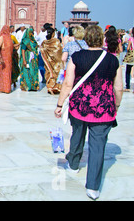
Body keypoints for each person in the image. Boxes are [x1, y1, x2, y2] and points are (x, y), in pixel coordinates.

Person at [54, 25, 123, 200]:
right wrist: (116, 105)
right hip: (103, 108)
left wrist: (60, 104)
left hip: (80, 105)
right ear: (102, 40)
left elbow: (68, 84)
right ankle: (93, 187)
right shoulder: (113, 60)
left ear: (87, 39)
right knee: (98, 146)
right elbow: (119, 88)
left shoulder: (77, 57)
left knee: (77, 134)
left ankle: (74, 164)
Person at [40, 27, 63, 94]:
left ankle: (50, 87)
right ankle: (56, 87)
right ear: (53, 34)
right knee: (56, 73)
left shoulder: (44, 42)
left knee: (49, 73)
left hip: (48, 62)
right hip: (56, 62)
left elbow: (42, 50)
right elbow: (58, 51)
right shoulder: (56, 41)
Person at [19, 27, 39, 91]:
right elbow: (23, 50)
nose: (32, 33)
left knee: (33, 72)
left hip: (34, 60)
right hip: (28, 59)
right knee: (27, 72)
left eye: (32, 32)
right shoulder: (25, 41)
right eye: (30, 32)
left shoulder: (33, 40)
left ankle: (34, 86)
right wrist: (24, 60)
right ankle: (27, 86)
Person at [0, 25, 14, 93]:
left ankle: (6, 88)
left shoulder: (9, 37)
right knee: (4, 72)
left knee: (7, 72)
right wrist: (0, 58)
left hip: (8, 57)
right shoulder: (2, 37)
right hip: (4, 57)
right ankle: (3, 88)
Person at [122, 27, 134, 92]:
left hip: (131, 56)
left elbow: (128, 48)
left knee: (128, 71)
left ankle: (128, 86)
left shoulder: (131, 39)